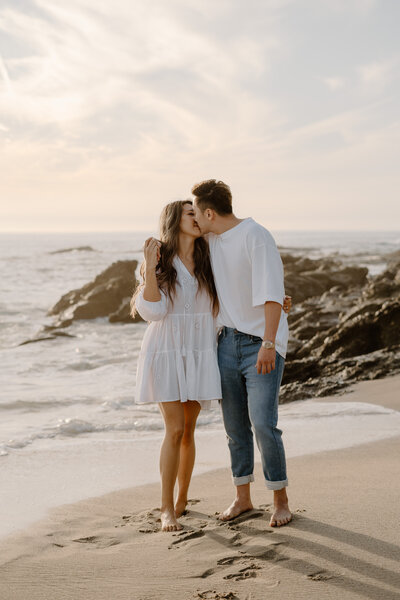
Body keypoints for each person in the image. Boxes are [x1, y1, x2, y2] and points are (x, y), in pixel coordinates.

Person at [191, 179, 292, 528]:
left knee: (263, 424)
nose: (194, 219)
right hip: (226, 344)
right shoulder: (211, 239)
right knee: (235, 429)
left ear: (209, 212)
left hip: (260, 345)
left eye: (197, 212)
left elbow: (273, 294)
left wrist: (268, 342)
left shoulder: (256, 235)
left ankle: (280, 500)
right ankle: (243, 497)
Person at [131, 200, 221, 532]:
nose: (197, 217)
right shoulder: (161, 261)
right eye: (189, 213)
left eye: (197, 212)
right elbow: (152, 311)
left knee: (189, 432)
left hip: (199, 352)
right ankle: (166, 508)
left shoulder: (210, 258)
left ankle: (183, 498)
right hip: (166, 352)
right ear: (174, 219)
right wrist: (150, 266)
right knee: (175, 429)